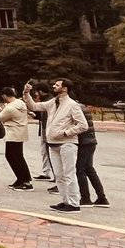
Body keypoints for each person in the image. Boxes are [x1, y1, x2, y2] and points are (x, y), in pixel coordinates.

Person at [24, 78, 88, 212]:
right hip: (53, 143)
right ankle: (65, 201)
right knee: (59, 175)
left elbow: (83, 125)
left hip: (67, 143)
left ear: (64, 88)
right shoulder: (53, 102)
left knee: (69, 174)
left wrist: (66, 132)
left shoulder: (72, 104)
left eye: (57, 85)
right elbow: (35, 106)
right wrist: (26, 94)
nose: (54, 86)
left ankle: (74, 203)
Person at [0, 88, 33, 191]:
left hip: (12, 133)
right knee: (18, 157)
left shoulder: (10, 108)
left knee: (12, 157)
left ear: (4, 95)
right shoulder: (20, 103)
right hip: (20, 132)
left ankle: (25, 181)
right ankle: (22, 179)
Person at [75, 107, 109, 207]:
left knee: (80, 170)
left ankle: (85, 198)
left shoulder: (74, 108)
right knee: (89, 169)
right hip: (90, 141)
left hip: (83, 142)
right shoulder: (82, 107)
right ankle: (102, 198)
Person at [27, 81, 55, 181]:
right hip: (44, 128)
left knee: (49, 151)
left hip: (48, 129)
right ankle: (46, 171)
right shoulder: (47, 100)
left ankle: (54, 174)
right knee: (45, 151)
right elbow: (40, 114)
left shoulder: (50, 101)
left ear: (41, 92)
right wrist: (35, 115)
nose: (36, 94)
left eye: (37, 92)